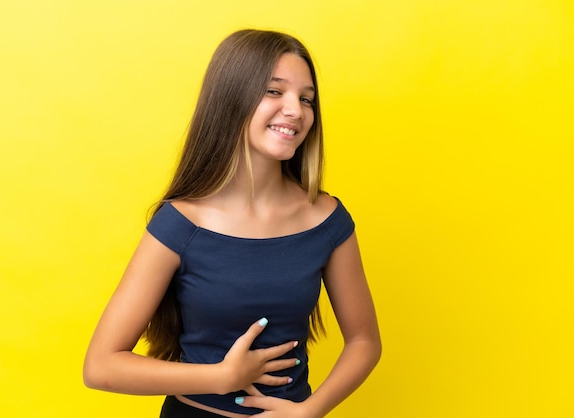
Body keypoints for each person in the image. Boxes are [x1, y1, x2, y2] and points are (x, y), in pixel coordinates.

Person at [83, 29, 381, 418]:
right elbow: (101, 366)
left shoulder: (326, 220)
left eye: (306, 98)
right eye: (274, 91)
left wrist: (311, 410)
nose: (296, 110)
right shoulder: (181, 223)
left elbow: (364, 341)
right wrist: (221, 377)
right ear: (231, 98)